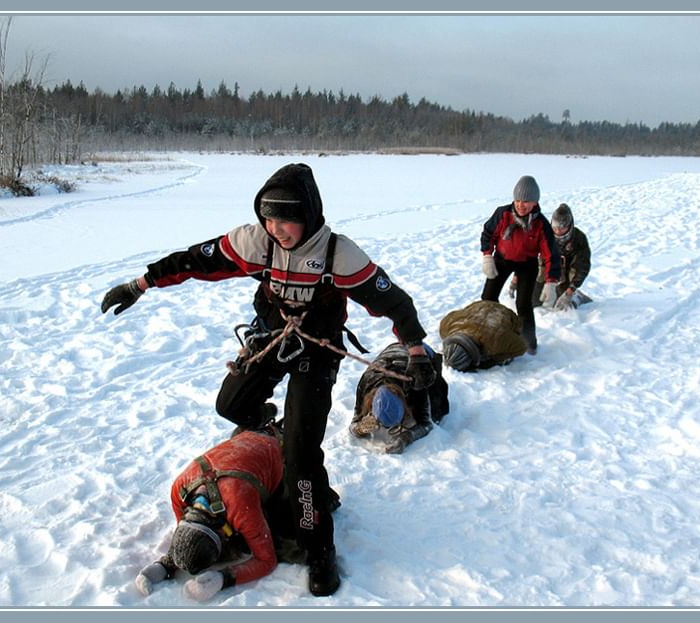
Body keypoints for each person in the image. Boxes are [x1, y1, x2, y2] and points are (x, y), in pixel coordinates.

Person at [101, 163, 435, 597]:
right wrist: (140, 283)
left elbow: (394, 301)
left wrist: (414, 349)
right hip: (273, 337)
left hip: (317, 352)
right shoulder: (256, 242)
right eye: (269, 218)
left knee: (301, 458)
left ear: (310, 214)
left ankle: (318, 549)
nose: (277, 229)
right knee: (231, 407)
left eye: (286, 219)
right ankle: (269, 431)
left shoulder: (339, 255)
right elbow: (195, 259)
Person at [134, 427, 302, 601]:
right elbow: (186, 536)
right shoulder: (179, 491)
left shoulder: (241, 507)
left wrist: (224, 578)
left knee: (288, 537)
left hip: (276, 452)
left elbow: (267, 560)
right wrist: (165, 565)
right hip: (243, 444)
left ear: (221, 535)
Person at [479, 175, 560, 355]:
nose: (520, 205)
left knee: (524, 304)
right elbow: (488, 233)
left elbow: (550, 254)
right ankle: (490, 333)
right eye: (517, 200)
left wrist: (551, 282)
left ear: (534, 203)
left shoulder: (541, 224)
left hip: (527, 264)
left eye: (525, 201)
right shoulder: (503, 214)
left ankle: (529, 343)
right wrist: (487, 256)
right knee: (488, 297)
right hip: (502, 260)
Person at [350, 342, 449, 454]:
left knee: (437, 413)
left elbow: (427, 423)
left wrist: (406, 437)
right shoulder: (367, 381)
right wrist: (360, 428)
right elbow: (354, 422)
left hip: (420, 352)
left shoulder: (415, 382)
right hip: (391, 350)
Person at [529, 203, 592, 311]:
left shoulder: (579, 239)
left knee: (563, 307)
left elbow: (582, 267)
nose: (558, 231)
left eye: (562, 227)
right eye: (555, 227)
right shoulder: (545, 235)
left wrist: (570, 291)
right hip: (548, 275)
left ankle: (576, 296)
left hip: (567, 277)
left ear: (569, 225)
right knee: (533, 302)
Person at [439, 300, 528, 371]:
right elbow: (452, 314)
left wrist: (493, 360)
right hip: (480, 306)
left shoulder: (495, 343)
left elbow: (522, 347)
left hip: (506, 314)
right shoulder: (446, 328)